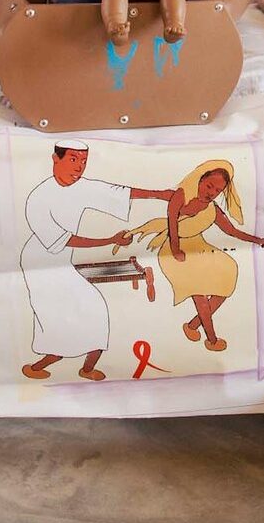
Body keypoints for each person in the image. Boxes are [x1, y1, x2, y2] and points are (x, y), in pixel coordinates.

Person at [18, 144, 179, 381]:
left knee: (94, 310)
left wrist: (161, 194)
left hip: (62, 262)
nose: (79, 167)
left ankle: (86, 368)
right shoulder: (38, 199)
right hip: (38, 264)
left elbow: (118, 191)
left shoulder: (81, 187)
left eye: (83, 161)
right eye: (73, 160)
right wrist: (110, 240)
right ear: (55, 159)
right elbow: (65, 240)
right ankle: (41, 365)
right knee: (56, 319)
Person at [126, 160, 264, 352]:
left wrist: (257, 240)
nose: (211, 192)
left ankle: (193, 325)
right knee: (199, 293)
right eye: (209, 186)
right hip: (174, 251)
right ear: (200, 180)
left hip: (199, 248)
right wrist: (176, 249)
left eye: (217, 190)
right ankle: (212, 339)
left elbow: (232, 231)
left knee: (227, 277)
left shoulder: (213, 209)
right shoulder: (181, 195)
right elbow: (171, 221)